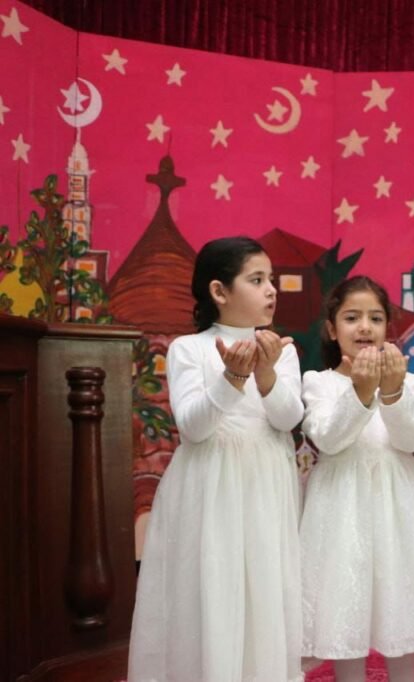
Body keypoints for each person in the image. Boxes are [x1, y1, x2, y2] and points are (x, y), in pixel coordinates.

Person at [128, 236, 303, 682]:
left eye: (271, 280)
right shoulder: (189, 349)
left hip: (264, 487)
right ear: (219, 291)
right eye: (256, 280)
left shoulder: (281, 349)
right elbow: (193, 427)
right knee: (211, 585)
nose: (271, 290)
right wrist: (232, 378)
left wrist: (266, 374)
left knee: (263, 587)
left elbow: (288, 419)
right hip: (209, 488)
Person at [299, 276, 414, 682]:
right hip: (341, 507)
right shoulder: (319, 382)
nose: (364, 327)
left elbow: (413, 439)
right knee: (344, 613)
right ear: (332, 329)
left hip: (397, 507)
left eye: (375, 318)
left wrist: (390, 393)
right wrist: (360, 391)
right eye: (352, 317)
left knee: (400, 608)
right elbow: (329, 440)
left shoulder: (407, 382)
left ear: (387, 328)